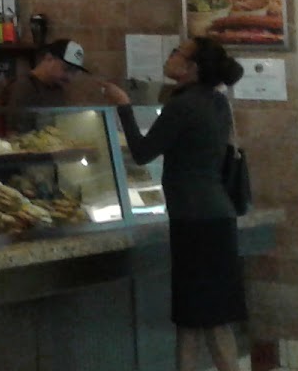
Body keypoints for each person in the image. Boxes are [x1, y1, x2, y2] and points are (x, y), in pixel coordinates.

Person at [101, 38, 247, 371]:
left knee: (202, 318)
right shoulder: (217, 101)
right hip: (216, 216)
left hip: (194, 221)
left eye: (177, 53)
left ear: (191, 68)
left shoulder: (183, 105)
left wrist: (123, 106)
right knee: (201, 317)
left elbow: (141, 153)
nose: (169, 57)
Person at [0, 39, 88, 108]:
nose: (69, 77)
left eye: (74, 72)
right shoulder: (23, 87)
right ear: (49, 58)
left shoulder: (57, 89)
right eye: (66, 69)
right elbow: (15, 126)